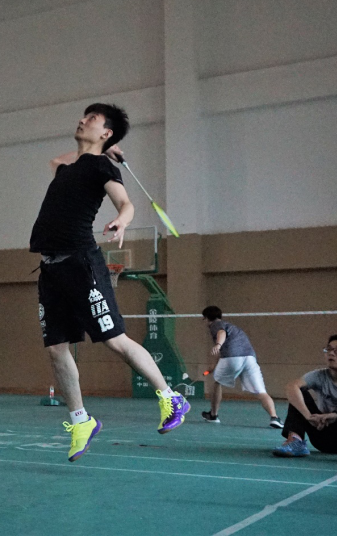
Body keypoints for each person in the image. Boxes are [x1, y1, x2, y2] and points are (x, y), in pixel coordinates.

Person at [30, 103, 190, 462]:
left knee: (114, 340)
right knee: (56, 348)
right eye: (84, 116)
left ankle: (170, 397)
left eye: (92, 119)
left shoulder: (101, 167)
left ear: (106, 131)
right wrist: (105, 146)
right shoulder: (69, 168)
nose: (82, 120)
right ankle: (81, 421)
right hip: (51, 269)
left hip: (81, 263)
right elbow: (56, 161)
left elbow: (126, 202)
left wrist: (122, 219)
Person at [273, 335, 337, 463]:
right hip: (322, 434)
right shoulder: (318, 375)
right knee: (298, 392)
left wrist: (336, 414)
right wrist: (308, 416)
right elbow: (291, 387)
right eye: (329, 349)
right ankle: (295, 440)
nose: (331, 353)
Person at [201, 306, 283, 428]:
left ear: (207, 318)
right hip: (250, 358)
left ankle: (213, 415)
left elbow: (221, 333)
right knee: (261, 391)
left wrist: (218, 345)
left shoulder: (216, 324)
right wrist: (214, 365)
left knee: (217, 382)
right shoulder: (231, 326)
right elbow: (224, 348)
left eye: (203, 318)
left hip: (232, 357)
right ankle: (274, 417)